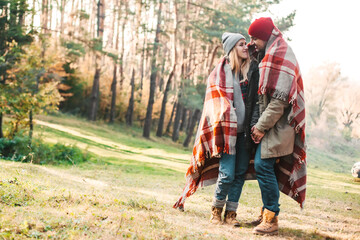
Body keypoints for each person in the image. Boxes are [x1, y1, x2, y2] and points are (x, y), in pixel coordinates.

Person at [173, 32, 260, 227]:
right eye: (241, 44)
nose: (245, 47)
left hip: (245, 135)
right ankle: (216, 210)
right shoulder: (219, 74)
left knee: (239, 174)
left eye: (246, 44)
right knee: (227, 174)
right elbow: (213, 105)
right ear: (231, 49)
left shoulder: (252, 71)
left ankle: (231, 214)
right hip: (226, 135)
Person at [247, 17, 307, 235]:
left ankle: (271, 218)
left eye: (255, 38)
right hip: (271, 125)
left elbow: (279, 101)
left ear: (265, 37)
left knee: (263, 166)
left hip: (280, 126)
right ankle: (266, 214)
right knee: (265, 167)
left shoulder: (282, 53)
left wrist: (261, 126)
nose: (251, 42)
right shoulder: (268, 52)